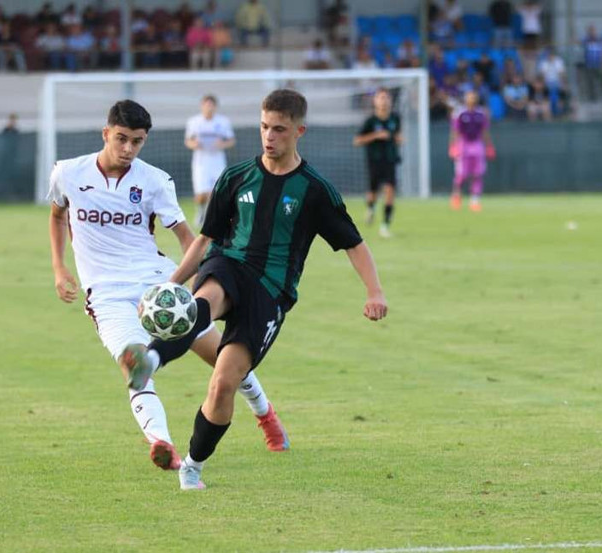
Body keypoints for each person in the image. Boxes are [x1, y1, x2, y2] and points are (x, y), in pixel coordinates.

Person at [129, 89, 387, 490]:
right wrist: (172, 282)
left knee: (223, 382)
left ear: (299, 130)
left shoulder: (314, 190)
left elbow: (354, 243)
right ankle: (151, 359)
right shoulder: (236, 177)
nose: (269, 136)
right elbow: (205, 240)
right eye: (265, 127)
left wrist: (375, 292)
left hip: (270, 292)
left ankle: (193, 464)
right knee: (200, 307)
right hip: (228, 264)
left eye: (279, 129)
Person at [48, 100, 289, 472]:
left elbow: (187, 235)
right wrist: (60, 267)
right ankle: (163, 444)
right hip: (107, 294)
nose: (128, 149)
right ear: (106, 133)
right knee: (135, 365)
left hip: (160, 285)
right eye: (122, 139)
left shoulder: (154, 180)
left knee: (224, 359)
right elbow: (58, 214)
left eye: (137, 141)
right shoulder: (67, 172)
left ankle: (266, 416)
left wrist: (200, 281)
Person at [353, 87, 403, 238]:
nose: (384, 101)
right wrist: (375, 135)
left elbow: (398, 135)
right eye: (381, 98)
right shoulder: (370, 121)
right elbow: (357, 140)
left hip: (390, 161)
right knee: (373, 193)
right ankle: (370, 208)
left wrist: (398, 139)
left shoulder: (395, 118)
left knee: (389, 191)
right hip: (374, 161)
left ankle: (385, 226)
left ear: (390, 101)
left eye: (386, 98)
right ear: (375, 101)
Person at [184, 94, 235, 228]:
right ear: (202, 106)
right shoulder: (194, 122)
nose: (209, 108)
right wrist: (194, 144)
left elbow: (231, 140)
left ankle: (211, 216)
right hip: (201, 162)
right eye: (206, 105)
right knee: (201, 194)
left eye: (211, 105)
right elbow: (188, 141)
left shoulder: (223, 122)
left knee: (216, 192)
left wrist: (221, 144)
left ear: (215, 107)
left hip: (217, 161)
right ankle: (200, 210)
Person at [449, 90, 495, 212]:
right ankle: (456, 195)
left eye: (473, 97)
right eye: (469, 97)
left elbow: (485, 131)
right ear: (465, 99)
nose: (472, 100)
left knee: (478, 173)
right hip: (463, 143)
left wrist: (489, 146)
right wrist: (453, 146)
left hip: (477, 144)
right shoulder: (460, 113)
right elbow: (455, 131)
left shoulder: (481, 114)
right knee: (462, 173)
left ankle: (475, 200)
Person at [581, 25, 602, 102]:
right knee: (590, 82)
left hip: (598, 64)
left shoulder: (599, 40)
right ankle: (592, 97)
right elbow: (579, 41)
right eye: (591, 31)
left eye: (593, 31)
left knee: (601, 80)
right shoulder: (586, 40)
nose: (592, 33)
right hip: (589, 65)